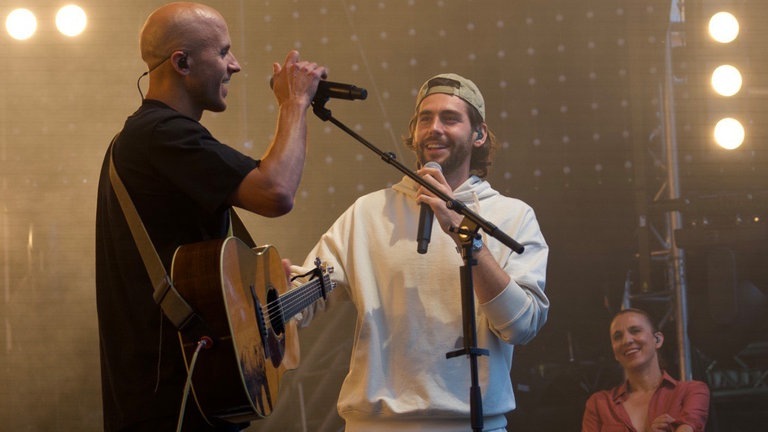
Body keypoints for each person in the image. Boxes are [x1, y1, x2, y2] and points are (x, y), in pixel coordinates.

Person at [95, 2, 327, 431]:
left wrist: (254, 290)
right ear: (182, 62)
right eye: (223, 52)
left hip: (195, 389)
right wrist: (295, 102)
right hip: (173, 399)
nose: (235, 66)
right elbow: (275, 192)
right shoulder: (161, 135)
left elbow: (195, 266)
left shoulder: (155, 139)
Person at [291, 73, 550, 431]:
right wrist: (281, 295)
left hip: (474, 423)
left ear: (479, 134)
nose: (435, 128)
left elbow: (522, 325)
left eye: (450, 118)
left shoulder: (512, 216)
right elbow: (307, 298)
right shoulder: (367, 213)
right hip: (376, 424)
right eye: (424, 119)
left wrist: (466, 236)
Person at [581, 308, 710, 432]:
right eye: (618, 336)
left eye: (635, 330)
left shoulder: (691, 391)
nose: (627, 340)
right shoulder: (599, 403)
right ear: (614, 352)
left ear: (658, 340)